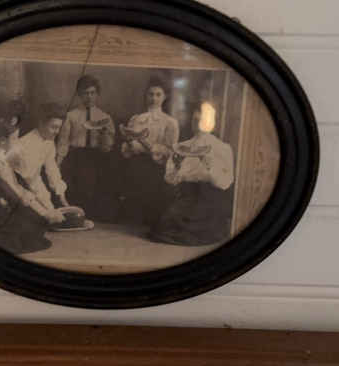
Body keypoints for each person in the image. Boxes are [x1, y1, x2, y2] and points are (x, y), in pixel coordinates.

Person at [0, 102, 62, 254]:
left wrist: (45, 210)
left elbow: (17, 185)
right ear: (3, 140)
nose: (18, 143)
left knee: (34, 221)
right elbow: (14, 190)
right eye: (15, 139)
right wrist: (44, 213)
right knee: (27, 229)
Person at [151, 104, 234, 246]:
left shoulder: (223, 148)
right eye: (195, 120)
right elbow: (170, 179)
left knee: (204, 231)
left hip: (210, 198)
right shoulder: (181, 147)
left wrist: (208, 165)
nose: (198, 124)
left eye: (203, 120)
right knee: (161, 225)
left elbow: (225, 183)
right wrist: (177, 166)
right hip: (187, 197)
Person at [119, 76, 179, 227]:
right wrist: (128, 141)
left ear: (165, 97)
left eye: (158, 94)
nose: (154, 98)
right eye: (150, 94)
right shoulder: (136, 119)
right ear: (145, 96)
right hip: (137, 165)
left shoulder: (170, 122)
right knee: (133, 212)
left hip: (157, 168)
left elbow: (169, 150)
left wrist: (146, 144)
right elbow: (128, 150)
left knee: (153, 212)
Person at [56, 75, 115, 220]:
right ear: (79, 94)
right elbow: (63, 142)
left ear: (97, 94)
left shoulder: (105, 117)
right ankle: (76, 217)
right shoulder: (71, 116)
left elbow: (107, 148)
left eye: (92, 93)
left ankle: (93, 217)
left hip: (96, 157)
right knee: (76, 187)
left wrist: (104, 134)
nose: (89, 97)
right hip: (76, 156)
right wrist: (58, 163)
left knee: (97, 187)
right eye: (85, 93)